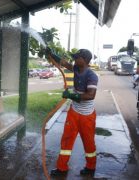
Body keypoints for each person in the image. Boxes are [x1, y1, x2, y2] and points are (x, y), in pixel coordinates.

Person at [47, 49, 98, 177]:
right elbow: (64, 63)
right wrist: (52, 53)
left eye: (77, 57)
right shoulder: (76, 68)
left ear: (85, 60)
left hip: (87, 116)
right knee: (66, 140)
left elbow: (91, 95)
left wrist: (71, 95)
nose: (75, 59)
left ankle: (91, 167)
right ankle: (61, 168)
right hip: (74, 112)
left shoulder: (92, 76)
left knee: (89, 142)